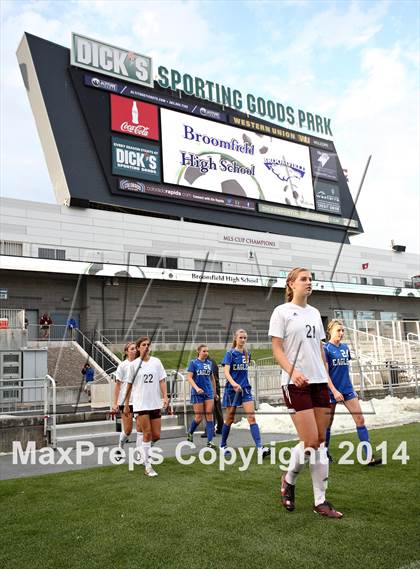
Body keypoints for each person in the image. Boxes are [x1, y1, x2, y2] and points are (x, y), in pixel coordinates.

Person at [269, 267, 343, 518]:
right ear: (291, 284)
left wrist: (329, 381)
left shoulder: (314, 313)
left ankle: (320, 502)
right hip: (295, 384)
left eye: (310, 279)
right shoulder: (281, 312)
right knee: (311, 441)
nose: (309, 282)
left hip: (320, 383)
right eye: (304, 279)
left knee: (319, 443)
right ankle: (288, 480)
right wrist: (292, 371)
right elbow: (277, 349)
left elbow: (320, 351)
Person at [324, 319, 382, 465]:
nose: (341, 333)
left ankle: (368, 457)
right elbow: (325, 374)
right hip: (331, 391)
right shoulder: (325, 349)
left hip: (347, 390)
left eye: (343, 330)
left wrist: (350, 388)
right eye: (338, 330)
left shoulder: (345, 348)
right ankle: (324, 453)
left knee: (360, 420)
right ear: (329, 331)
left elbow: (344, 371)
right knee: (328, 424)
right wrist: (334, 391)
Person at [220, 329, 270, 459]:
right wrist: (234, 384)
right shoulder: (230, 354)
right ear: (235, 338)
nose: (243, 340)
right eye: (241, 337)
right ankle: (222, 445)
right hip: (232, 390)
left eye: (245, 338)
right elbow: (226, 372)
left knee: (251, 417)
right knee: (229, 419)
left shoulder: (248, 354)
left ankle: (260, 448)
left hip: (245, 389)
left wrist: (241, 384)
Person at [124, 336, 168, 477]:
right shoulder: (133, 365)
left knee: (156, 435)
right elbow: (129, 385)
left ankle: (142, 451)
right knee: (147, 433)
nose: (147, 347)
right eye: (143, 345)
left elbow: (162, 380)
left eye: (148, 344)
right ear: (138, 348)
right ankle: (148, 466)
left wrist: (165, 396)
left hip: (154, 402)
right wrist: (126, 404)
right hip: (140, 404)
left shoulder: (156, 362)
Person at [186, 344, 218, 448]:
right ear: (198, 352)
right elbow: (189, 378)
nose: (206, 353)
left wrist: (214, 392)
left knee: (209, 415)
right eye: (204, 351)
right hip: (197, 393)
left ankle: (210, 441)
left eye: (207, 351)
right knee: (199, 418)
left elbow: (212, 378)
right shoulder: (193, 363)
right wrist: (197, 388)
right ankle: (190, 432)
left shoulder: (209, 363)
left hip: (208, 392)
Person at [112, 342, 139, 454]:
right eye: (131, 349)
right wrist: (115, 403)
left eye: (135, 348)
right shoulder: (123, 366)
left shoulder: (140, 363)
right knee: (127, 431)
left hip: (139, 400)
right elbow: (118, 385)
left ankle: (140, 453)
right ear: (126, 352)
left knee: (141, 429)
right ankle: (120, 445)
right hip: (125, 401)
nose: (134, 350)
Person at [200, 356, 223, 437]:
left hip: (211, 387)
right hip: (215, 387)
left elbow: (210, 377)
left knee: (210, 409)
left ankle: (210, 430)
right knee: (217, 408)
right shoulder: (212, 361)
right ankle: (221, 428)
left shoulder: (207, 363)